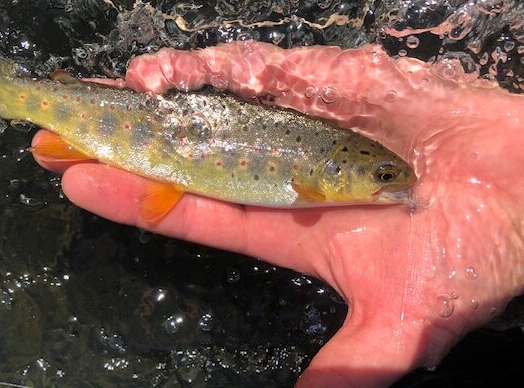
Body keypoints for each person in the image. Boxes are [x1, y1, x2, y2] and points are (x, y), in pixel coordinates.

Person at [33, 41, 524, 388]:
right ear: (336, 170)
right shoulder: (318, 181)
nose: (394, 185)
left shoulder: (334, 181)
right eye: (381, 176)